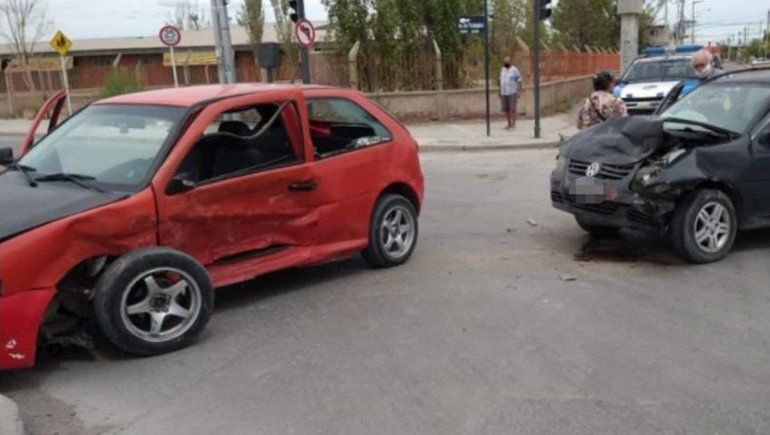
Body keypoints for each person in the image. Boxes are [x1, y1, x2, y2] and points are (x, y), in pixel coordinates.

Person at [499, 57, 522, 130]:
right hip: (504, 92)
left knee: (512, 109)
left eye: (507, 62)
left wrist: (519, 91)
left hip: (512, 92)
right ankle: (509, 123)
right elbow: (500, 80)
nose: (505, 63)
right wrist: (499, 91)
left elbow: (519, 79)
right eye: (504, 62)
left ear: (510, 62)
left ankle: (513, 124)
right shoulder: (503, 69)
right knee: (506, 109)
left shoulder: (514, 70)